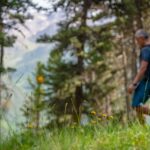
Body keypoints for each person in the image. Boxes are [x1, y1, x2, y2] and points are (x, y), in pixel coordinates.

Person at [128, 29, 150, 124]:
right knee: (137, 106)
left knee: (136, 105)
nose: (137, 43)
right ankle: (144, 130)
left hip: (147, 81)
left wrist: (134, 83)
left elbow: (143, 68)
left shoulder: (145, 49)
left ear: (141, 38)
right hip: (146, 80)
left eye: (137, 40)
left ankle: (143, 129)